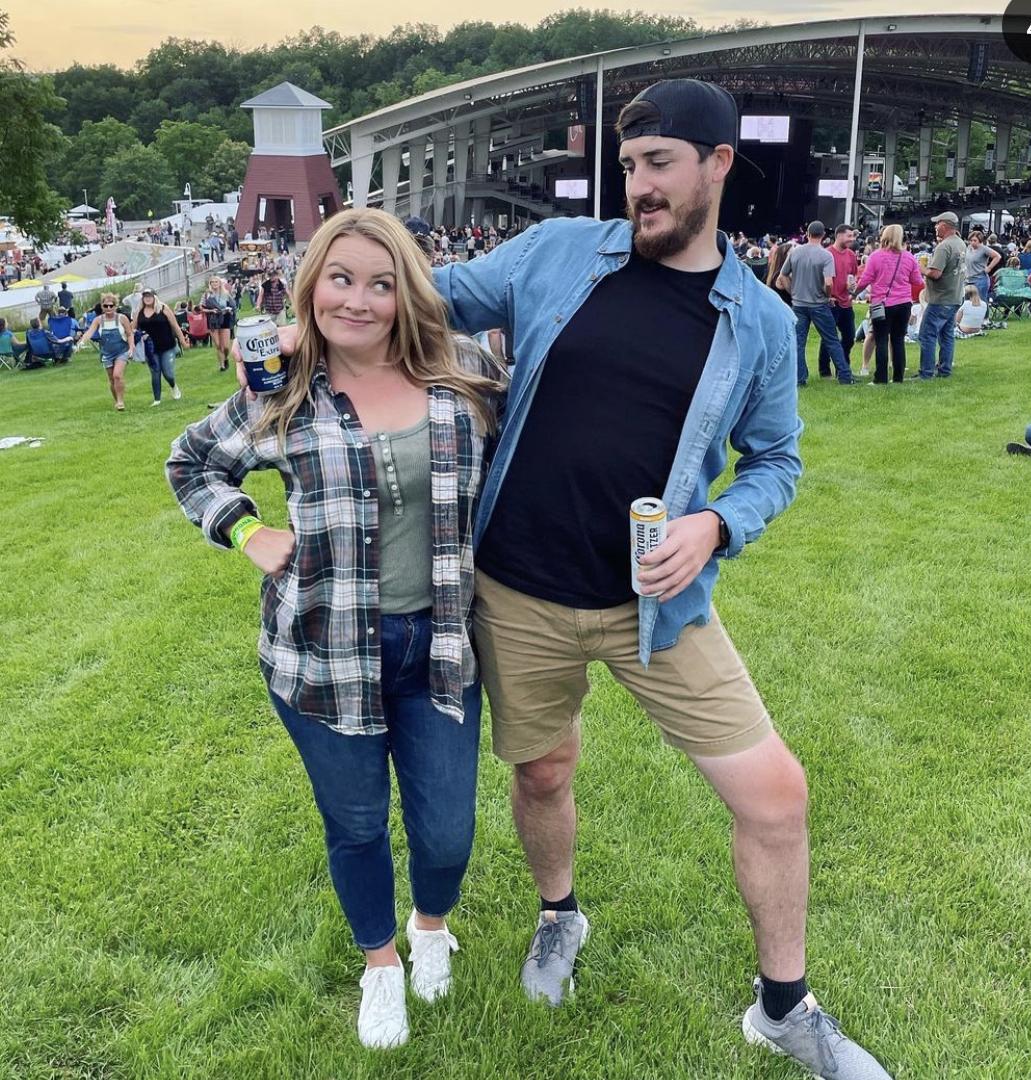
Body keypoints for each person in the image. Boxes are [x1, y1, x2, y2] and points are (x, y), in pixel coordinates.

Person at [261, 80, 893, 1080]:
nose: (639, 186)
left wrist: (717, 522)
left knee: (775, 795)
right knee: (544, 769)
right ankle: (559, 916)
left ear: (718, 165)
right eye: (629, 166)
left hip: (658, 607)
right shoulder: (558, 252)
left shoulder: (761, 322)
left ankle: (784, 1008)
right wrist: (311, 320)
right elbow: (415, 296)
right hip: (516, 594)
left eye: (660, 164)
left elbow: (776, 460)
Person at [167, 208, 505, 1051]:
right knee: (355, 824)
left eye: (381, 284)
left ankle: (431, 924)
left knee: (447, 831)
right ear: (310, 285)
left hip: (442, 645)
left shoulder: (466, 372)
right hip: (321, 651)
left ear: (407, 293)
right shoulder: (281, 391)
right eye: (341, 279)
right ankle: (379, 964)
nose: (358, 300)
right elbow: (190, 463)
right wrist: (247, 530)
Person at [778, 221, 854, 385]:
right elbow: (828, 282)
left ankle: (800, 378)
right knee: (832, 340)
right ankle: (845, 376)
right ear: (823, 236)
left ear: (807, 234)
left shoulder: (795, 252)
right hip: (819, 304)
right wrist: (827, 296)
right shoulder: (826, 255)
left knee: (798, 342)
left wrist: (793, 292)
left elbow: (783, 276)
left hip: (799, 304)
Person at [854, 223, 923, 385]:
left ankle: (881, 378)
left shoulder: (876, 257)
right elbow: (917, 281)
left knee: (881, 340)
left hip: (881, 304)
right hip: (904, 303)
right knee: (898, 340)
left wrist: (853, 293)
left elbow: (865, 280)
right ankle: (898, 377)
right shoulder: (909, 257)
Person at [918, 211, 967, 380]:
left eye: (937, 224)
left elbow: (935, 273)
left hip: (940, 298)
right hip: (955, 296)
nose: (935, 227)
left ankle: (926, 372)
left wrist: (922, 269)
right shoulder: (960, 243)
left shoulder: (944, 246)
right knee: (947, 335)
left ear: (944, 226)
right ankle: (945, 369)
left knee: (927, 334)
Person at [75, 292, 134, 410]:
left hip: (121, 351)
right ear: (102, 307)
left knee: (117, 375)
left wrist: (131, 347)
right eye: (106, 306)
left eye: (111, 305)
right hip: (106, 353)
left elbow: (129, 334)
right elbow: (89, 332)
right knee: (112, 379)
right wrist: (81, 343)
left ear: (115, 306)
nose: (108, 308)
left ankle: (121, 401)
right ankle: (117, 400)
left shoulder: (122, 318)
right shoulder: (98, 320)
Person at [817, 224, 858, 379]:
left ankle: (843, 366)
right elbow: (819, 278)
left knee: (849, 336)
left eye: (853, 236)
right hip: (831, 302)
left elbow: (853, 274)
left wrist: (852, 286)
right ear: (839, 235)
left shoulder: (851, 255)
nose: (852, 239)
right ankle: (824, 369)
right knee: (828, 338)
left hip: (846, 302)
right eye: (849, 236)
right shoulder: (827, 254)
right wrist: (826, 296)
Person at [134, 288, 187, 406]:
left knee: (168, 372)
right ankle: (157, 399)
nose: (147, 298)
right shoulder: (139, 312)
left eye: (150, 296)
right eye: (145, 296)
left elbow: (175, 326)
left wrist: (183, 341)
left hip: (167, 345)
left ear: (154, 297)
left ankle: (173, 386)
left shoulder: (163, 308)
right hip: (150, 348)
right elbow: (133, 329)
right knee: (155, 371)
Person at [200, 276, 236, 372]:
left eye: (216, 282)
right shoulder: (207, 295)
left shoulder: (225, 293)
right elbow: (201, 308)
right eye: (212, 282)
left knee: (226, 346)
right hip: (213, 320)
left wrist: (229, 310)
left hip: (225, 319)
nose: (214, 284)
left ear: (220, 283)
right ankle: (222, 365)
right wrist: (211, 310)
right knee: (218, 345)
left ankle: (226, 358)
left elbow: (233, 305)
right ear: (210, 284)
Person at [964, 232, 1000, 320]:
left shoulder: (984, 249)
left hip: (980, 279)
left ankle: (985, 319)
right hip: (968, 278)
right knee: (966, 300)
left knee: (981, 300)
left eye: (975, 240)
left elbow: (997, 256)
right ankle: (969, 319)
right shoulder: (968, 248)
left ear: (980, 241)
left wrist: (989, 267)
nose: (972, 242)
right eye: (971, 240)